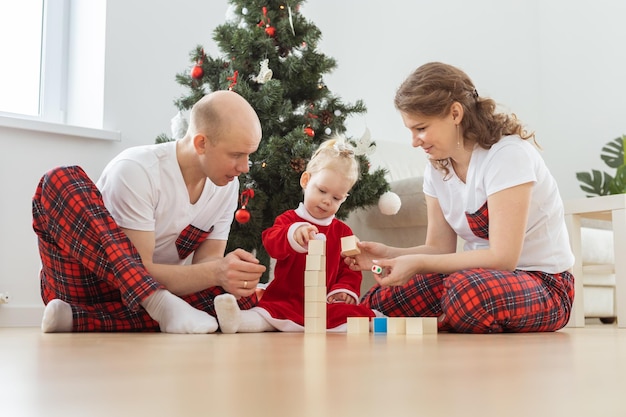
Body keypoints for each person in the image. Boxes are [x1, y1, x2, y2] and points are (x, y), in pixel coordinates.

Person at [345, 62, 575, 334]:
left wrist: (417, 264)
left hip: (544, 284)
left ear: (455, 113)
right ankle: (448, 320)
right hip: (475, 278)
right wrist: (389, 254)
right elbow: (439, 249)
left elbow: (503, 259)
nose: (414, 141)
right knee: (378, 302)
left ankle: (447, 318)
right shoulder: (437, 167)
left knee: (463, 294)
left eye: (420, 128)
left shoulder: (508, 156)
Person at [32, 90, 267, 333]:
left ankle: (78, 318)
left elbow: (207, 265)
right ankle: (157, 303)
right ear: (201, 143)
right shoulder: (137, 169)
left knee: (239, 299)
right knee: (59, 180)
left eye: (249, 156)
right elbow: (139, 269)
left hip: (147, 294)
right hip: (86, 281)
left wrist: (227, 273)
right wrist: (215, 273)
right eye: (237, 155)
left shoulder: (226, 185)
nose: (244, 167)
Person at [214, 139, 378, 333]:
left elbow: (350, 268)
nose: (327, 201)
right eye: (322, 191)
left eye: (336, 198)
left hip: (322, 303)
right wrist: (293, 234)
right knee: (267, 313)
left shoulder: (343, 232)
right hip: (286, 297)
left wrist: (343, 290)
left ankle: (380, 323)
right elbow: (271, 241)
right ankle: (236, 320)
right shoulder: (290, 219)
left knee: (353, 315)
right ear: (306, 181)